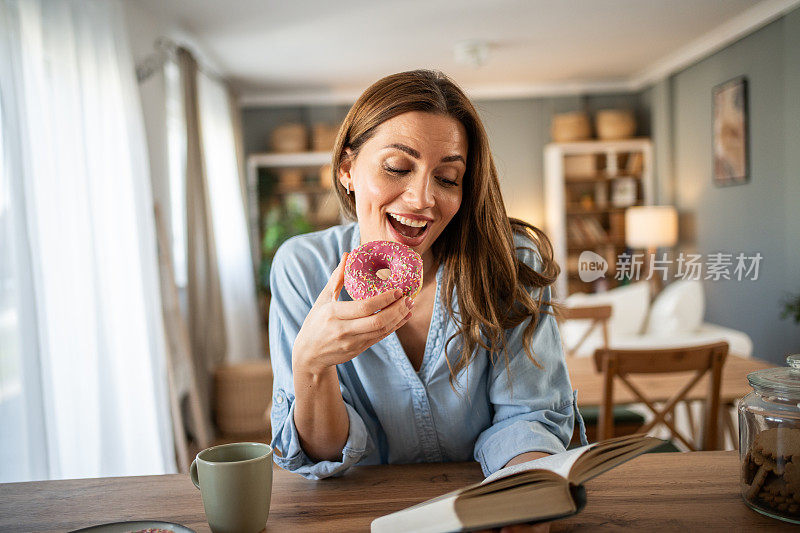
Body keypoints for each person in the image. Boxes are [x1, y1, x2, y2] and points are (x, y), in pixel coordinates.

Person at [269, 70, 586, 530]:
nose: (423, 198)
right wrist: (311, 365)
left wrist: (527, 500)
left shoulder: (510, 260)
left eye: (448, 177)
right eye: (397, 168)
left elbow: (528, 419)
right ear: (347, 169)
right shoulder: (303, 268)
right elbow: (324, 457)